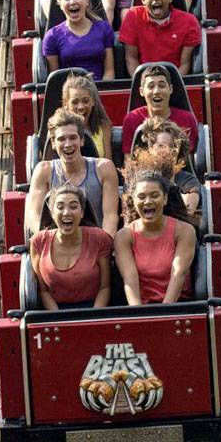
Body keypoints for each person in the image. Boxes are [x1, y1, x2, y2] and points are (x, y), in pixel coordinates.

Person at [26, 108, 120, 238]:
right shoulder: (44, 171)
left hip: (95, 243)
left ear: (81, 140)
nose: (67, 144)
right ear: (53, 143)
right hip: (57, 242)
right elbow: (34, 216)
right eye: (61, 139)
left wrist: (104, 246)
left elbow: (110, 216)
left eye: (72, 138)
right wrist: (47, 241)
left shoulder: (104, 168)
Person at [114, 166, 196, 305]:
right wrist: (139, 315)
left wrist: (164, 313)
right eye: (141, 197)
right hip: (142, 309)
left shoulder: (184, 231)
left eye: (154, 195)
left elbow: (178, 274)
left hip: (177, 306)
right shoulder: (124, 236)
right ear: (133, 201)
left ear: (164, 199)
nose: (147, 201)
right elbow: (129, 278)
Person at [29, 185, 113, 310]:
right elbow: (43, 291)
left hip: (94, 308)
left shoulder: (99, 238)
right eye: (60, 207)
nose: (67, 212)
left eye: (73, 207)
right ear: (52, 213)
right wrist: (58, 319)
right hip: (54, 311)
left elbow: (105, 287)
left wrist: (93, 318)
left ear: (82, 212)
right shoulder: (39, 241)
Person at [119, 0, 201, 74]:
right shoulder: (133, 16)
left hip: (175, 78)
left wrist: (172, 86)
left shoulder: (189, 21)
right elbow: (131, 58)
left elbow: (185, 64)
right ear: (143, 0)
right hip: (143, 80)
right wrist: (142, 85)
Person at [120, 63, 199, 159]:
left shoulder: (187, 119)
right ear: (141, 91)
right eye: (151, 86)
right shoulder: (131, 119)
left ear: (170, 89)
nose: (156, 91)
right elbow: (129, 161)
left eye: (161, 86)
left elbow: (187, 162)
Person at [43, 0, 115, 80]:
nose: (72, 2)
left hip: (99, 89)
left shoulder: (104, 28)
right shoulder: (52, 36)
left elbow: (109, 71)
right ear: (60, 4)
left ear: (87, 0)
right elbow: (55, 78)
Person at [129, 117, 199, 215]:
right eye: (161, 146)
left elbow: (188, 211)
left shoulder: (187, 180)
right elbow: (131, 214)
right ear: (150, 148)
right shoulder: (135, 180)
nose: (168, 151)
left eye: (173, 146)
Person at [61, 70, 114, 159]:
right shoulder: (58, 130)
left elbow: (108, 164)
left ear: (93, 101)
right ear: (66, 104)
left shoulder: (103, 127)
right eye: (75, 102)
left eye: (85, 101)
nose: (81, 107)